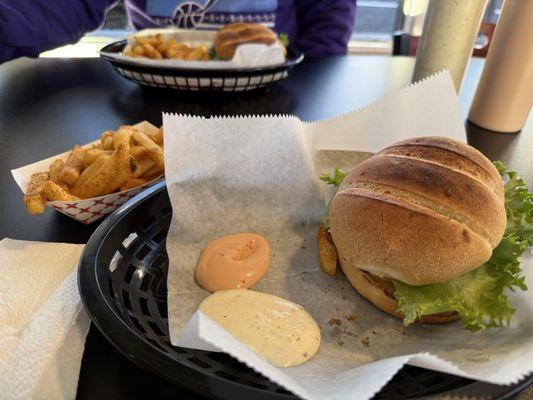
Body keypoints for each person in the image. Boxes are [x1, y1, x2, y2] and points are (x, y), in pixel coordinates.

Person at [0, 0, 356, 63]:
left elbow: (329, 11)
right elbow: (61, 5)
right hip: (150, 99)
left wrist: (314, 69)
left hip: (279, 95)